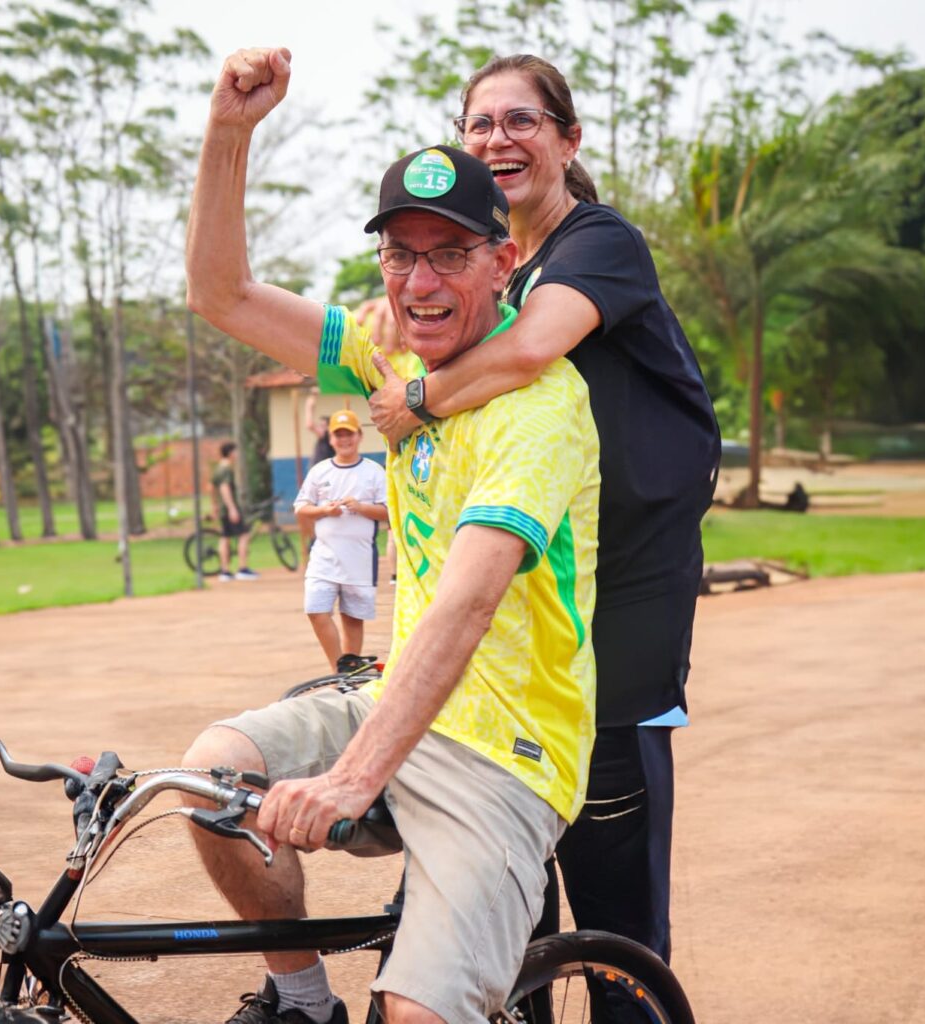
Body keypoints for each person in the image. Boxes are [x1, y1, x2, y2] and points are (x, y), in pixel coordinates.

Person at [184, 47, 600, 1024]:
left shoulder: (539, 409)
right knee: (212, 774)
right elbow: (223, 295)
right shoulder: (384, 353)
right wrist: (229, 131)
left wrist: (351, 775)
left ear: (505, 262)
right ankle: (301, 1001)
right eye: (401, 253)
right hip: (392, 700)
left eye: (450, 252)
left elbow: (468, 597)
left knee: (418, 1011)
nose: (420, 280)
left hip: (508, 743)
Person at [366, 54, 722, 965]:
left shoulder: (599, 243)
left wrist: (420, 400)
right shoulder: (489, 269)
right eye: (479, 125)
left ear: (567, 138)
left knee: (611, 889)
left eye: (521, 120)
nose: (498, 139)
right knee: (504, 881)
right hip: (536, 598)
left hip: (627, 594)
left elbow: (528, 351)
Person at [294, 408, 388, 671]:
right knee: (316, 609)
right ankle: (338, 669)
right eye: (338, 435)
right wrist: (325, 510)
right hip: (323, 556)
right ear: (331, 439)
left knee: (353, 617)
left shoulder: (373, 472)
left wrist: (359, 507)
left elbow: (389, 512)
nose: (344, 440)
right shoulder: (319, 471)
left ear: (359, 436)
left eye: (349, 434)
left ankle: (350, 671)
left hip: (358, 558)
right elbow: (300, 507)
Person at [213, 441, 259, 581]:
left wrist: (215, 506)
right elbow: (224, 488)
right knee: (244, 535)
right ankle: (242, 568)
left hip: (222, 508)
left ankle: (225, 571)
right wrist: (232, 508)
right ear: (231, 453)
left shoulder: (217, 469)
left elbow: (212, 488)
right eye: (236, 452)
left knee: (225, 537)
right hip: (229, 508)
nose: (237, 455)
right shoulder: (226, 469)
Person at [304, 388, 335, 466]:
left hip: (322, 467)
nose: (319, 427)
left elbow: (310, 424)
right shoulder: (329, 436)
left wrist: (312, 398)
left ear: (328, 427)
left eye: (322, 426)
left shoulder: (327, 435)